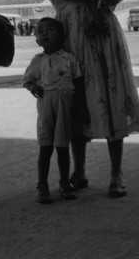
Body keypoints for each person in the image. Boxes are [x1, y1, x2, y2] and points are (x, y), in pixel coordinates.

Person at [29, 0, 139, 198]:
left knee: (111, 93)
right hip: (69, 30)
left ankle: (116, 173)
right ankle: (79, 170)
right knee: (76, 97)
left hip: (102, 28)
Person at [23, 18, 86, 204]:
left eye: (50, 30)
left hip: (65, 110)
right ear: (36, 40)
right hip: (45, 112)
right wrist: (33, 88)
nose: (45, 34)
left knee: (62, 147)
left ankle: (64, 183)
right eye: (40, 31)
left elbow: (79, 82)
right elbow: (27, 80)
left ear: (62, 36)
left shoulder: (69, 59)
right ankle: (42, 185)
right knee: (45, 148)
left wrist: (81, 108)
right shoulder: (37, 61)